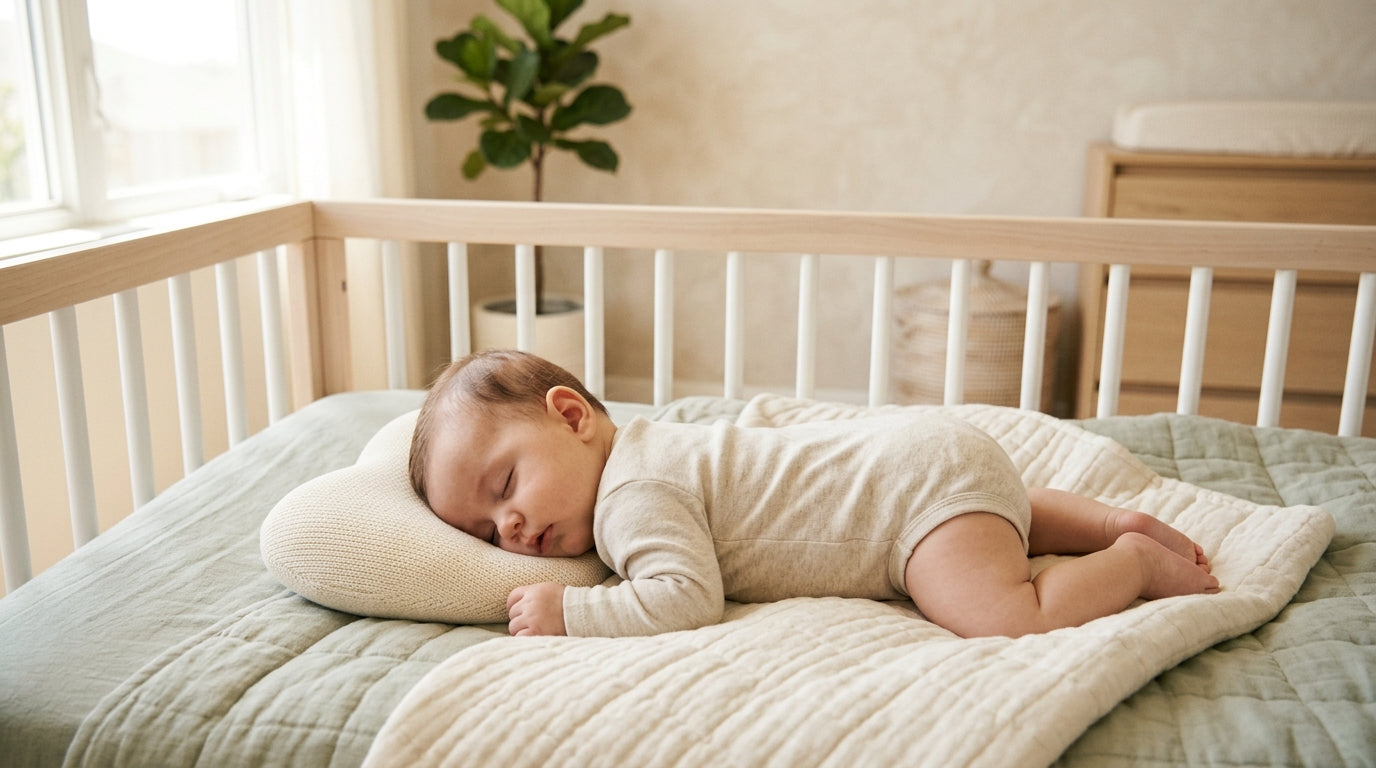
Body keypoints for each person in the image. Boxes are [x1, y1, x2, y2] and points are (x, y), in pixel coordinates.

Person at [409, 350, 1219, 639]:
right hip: (925, 453)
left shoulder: (634, 497)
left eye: (506, 485)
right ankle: (1111, 516)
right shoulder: (660, 442)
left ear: (574, 417)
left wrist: (569, 612)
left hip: (907, 500)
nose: (508, 526)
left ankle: (1134, 560)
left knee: (1004, 612)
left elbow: (685, 597)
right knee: (999, 511)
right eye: (485, 531)